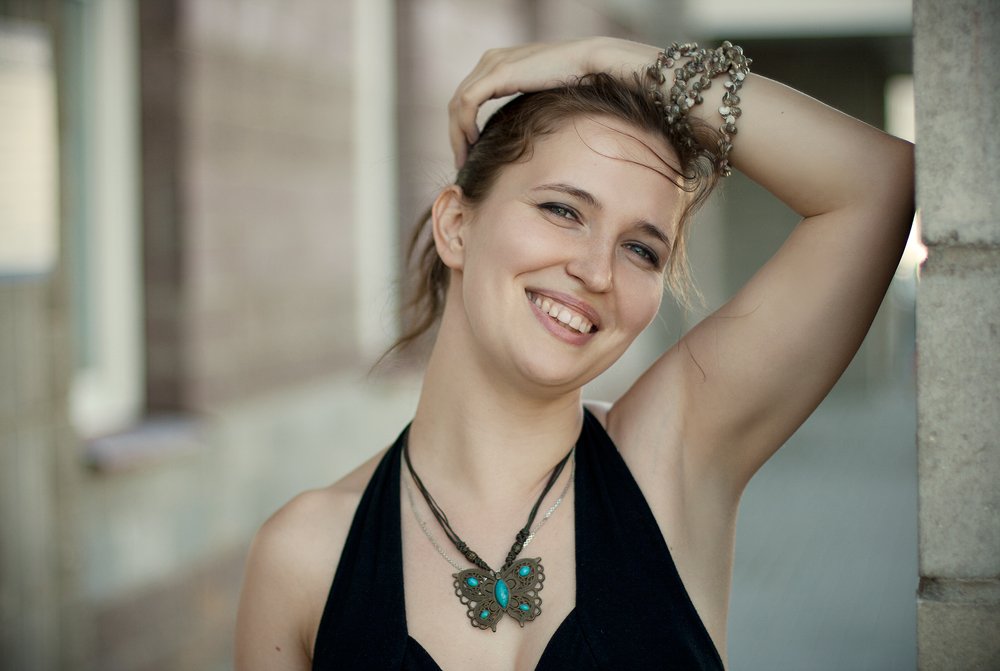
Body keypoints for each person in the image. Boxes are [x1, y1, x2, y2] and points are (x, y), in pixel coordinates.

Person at [234, 37, 914, 670]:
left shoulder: (669, 461)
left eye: (641, 249)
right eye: (563, 210)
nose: (596, 271)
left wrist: (605, 56)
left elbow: (878, 182)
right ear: (457, 226)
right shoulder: (304, 555)